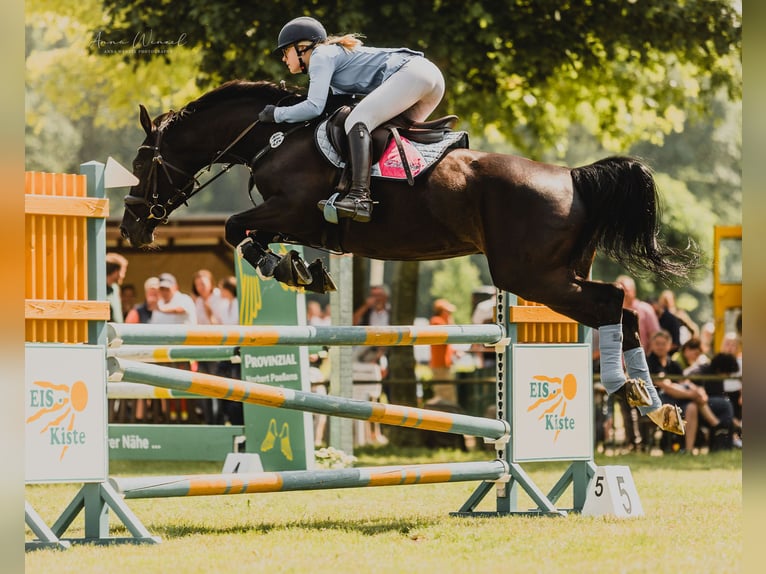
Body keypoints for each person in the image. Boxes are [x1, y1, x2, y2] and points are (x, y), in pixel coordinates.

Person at [259, 16, 445, 223]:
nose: (284, 59)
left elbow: (314, 107)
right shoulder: (331, 58)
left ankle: (359, 197)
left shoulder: (320, 56)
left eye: (286, 52)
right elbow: (331, 106)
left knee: (357, 121)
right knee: (381, 133)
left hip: (414, 74)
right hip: (430, 80)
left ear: (302, 47)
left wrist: (276, 114)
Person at [646, 330, 721, 454]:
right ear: (652, 345)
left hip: (676, 399)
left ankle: (689, 449)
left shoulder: (673, 363)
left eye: (663, 344)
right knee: (692, 398)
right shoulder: (649, 362)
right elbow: (666, 387)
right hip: (657, 401)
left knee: (692, 406)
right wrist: (693, 394)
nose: (660, 347)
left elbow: (685, 382)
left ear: (669, 345)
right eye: (657, 343)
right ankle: (715, 425)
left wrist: (699, 392)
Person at [191, 269, 226, 424]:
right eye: (197, 284)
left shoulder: (219, 297)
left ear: (211, 283)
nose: (200, 287)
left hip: (218, 347)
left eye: (203, 284)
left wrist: (210, 314)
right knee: (204, 385)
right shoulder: (198, 301)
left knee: (217, 385)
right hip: (201, 347)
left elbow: (224, 323)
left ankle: (219, 419)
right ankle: (209, 419)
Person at [615, 275, 660, 354]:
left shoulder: (645, 309)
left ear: (634, 291)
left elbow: (655, 337)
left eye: (626, 290)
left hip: (640, 362)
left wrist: (647, 360)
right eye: (620, 290)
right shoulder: (612, 311)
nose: (623, 293)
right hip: (617, 364)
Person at [428, 298, 458, 405]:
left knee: (448, 391)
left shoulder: (441, 322)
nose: (450, 314)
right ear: (442, 311)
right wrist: (450, 322)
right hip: (439, 364)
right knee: (444, 393)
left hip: (444, 363)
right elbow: (448, 337)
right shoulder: (436, 321)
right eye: (448, 312)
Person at [105, 252, 129, 323]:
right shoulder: (98, 289)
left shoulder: (116, 288)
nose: (123, 275)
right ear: (116, 271)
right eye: (123, 271)